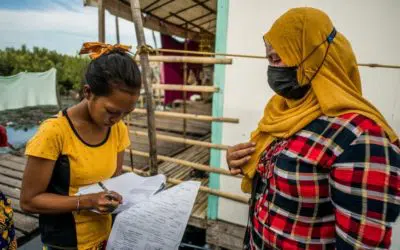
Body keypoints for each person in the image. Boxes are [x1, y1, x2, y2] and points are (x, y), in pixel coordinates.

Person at [226, 8, 400, 249]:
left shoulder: (362, 139)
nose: (273, 69)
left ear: (313, 56)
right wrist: (242, 160)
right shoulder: (282, 113)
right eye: (270, 60)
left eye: (278, 58)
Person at [20, 42, 141, 250]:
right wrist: (87, 202)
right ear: (88, 92)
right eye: (111, 110)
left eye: (125, 113)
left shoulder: (118, 129)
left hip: (105, 237)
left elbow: (113, 182)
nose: (117, 119)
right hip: (66, 243)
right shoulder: (54, 133)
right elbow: (29, 201)